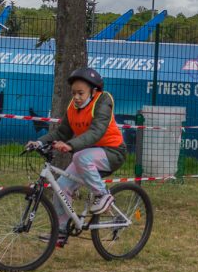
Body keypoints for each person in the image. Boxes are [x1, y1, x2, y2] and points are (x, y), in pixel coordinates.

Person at [25, 67, 127, 247]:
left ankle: (103, 195)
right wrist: (39, 142)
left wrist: (71, 145)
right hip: (87, 156)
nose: (77, 97)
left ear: (93, 91)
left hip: (112, 152)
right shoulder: (72, 107)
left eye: (81, 93)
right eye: (74, 93)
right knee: (61, 187)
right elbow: (63, 132)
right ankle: (61, 231)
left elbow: (96, 132)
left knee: (80, 156)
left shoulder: (103, 101)